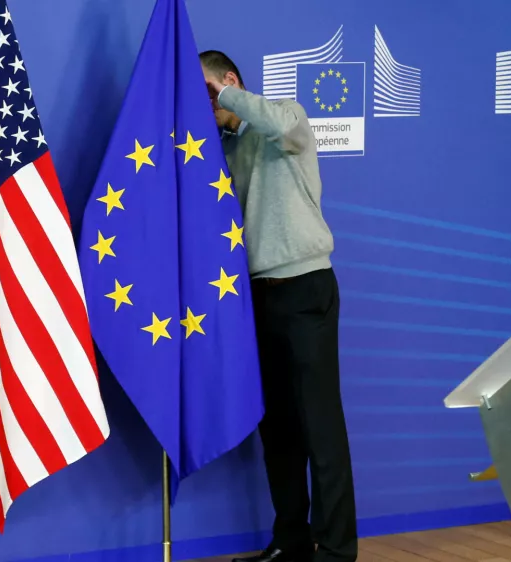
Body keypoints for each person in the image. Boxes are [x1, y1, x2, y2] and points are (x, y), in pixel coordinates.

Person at [199, 50, 358, 562]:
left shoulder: (287, 118)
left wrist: (224, 96)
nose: (210, 104)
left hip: (306, 286)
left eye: (211, 92)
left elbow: (274, 121)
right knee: (280, 432)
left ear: (231, 82)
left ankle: (336, 551)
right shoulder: (225, 150)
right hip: (259, 297)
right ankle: (291, 543)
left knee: (321, 429)